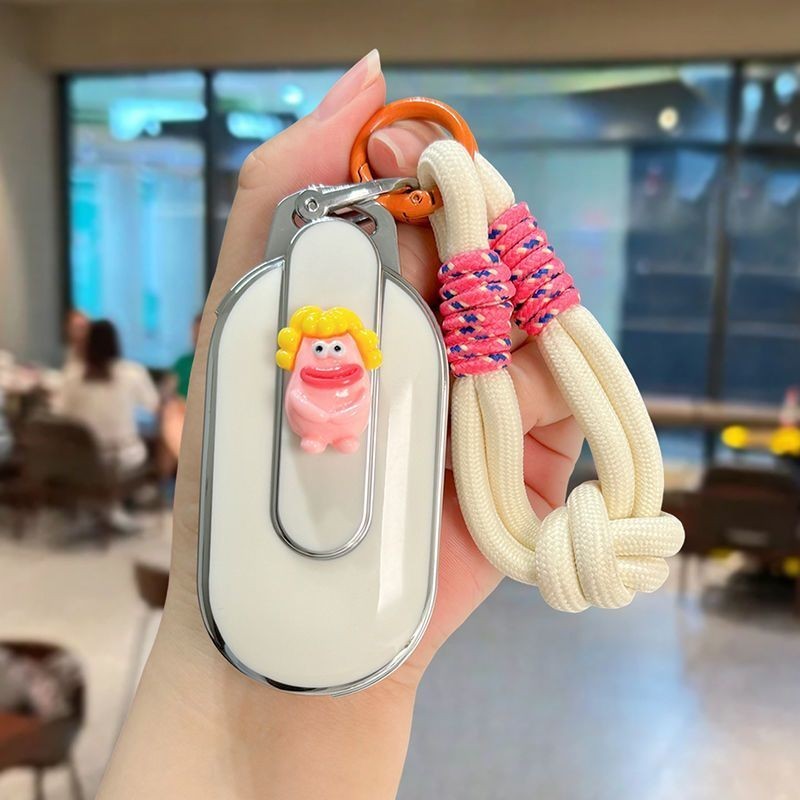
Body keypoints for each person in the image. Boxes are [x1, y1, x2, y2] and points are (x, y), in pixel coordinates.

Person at [98, 51, 582, 798]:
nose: (328, 359)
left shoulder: (328, 320)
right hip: (258, 627)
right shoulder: (275, 314)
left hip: (363, 621)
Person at [56, 319, 159, 473]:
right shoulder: (133, 373)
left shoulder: (72, 375)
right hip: (123, 459)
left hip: (82, 461)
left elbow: (61, 414)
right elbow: (155, 407)